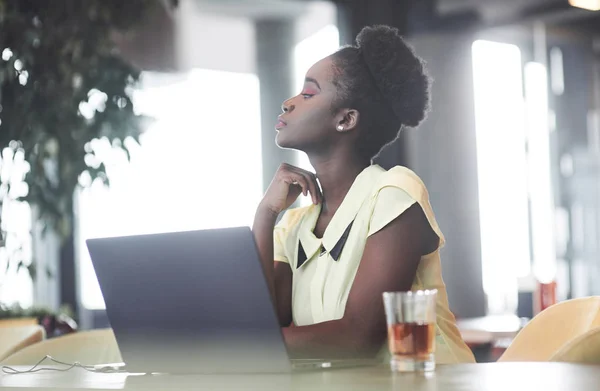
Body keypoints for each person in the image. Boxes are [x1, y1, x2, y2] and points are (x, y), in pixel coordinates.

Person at [252, 25, 475, 363]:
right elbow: (265, 319)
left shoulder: (394, 192)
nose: (288, 102)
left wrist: (238, 348)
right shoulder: (294, 222)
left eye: (308, 94)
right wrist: (265, 214)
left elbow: (357, 337)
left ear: (346, 119)